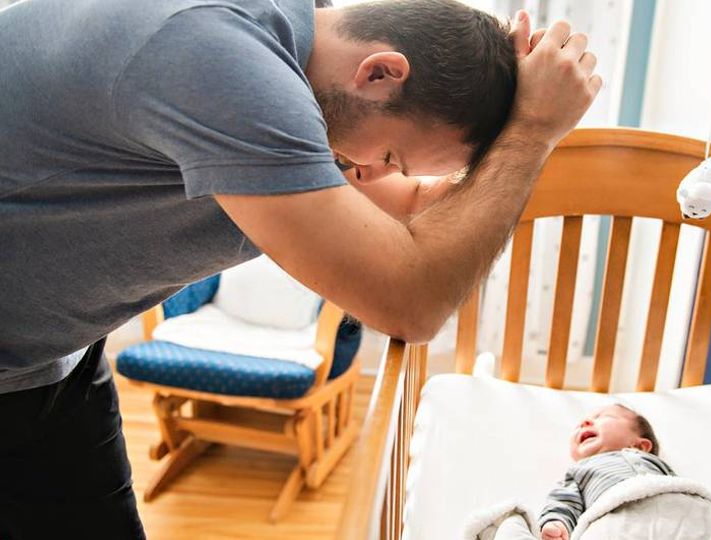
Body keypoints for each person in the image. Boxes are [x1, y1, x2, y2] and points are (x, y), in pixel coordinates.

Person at [0, 0, 601, 535]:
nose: (373, 174)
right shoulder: (220, 61)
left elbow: (419, 205)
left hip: (51, 357)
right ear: (380, 73)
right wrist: (531, 133)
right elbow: (411, 305)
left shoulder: (299, 55)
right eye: (390, 155)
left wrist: (518, 117)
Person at [539, 405, 674, 540]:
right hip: (615, 524)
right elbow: (563, 502)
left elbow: (680, 488)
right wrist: (557, 523)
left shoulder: (655, 464)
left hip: (671, 515)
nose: (584, 423)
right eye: (578, 426)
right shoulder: (579, 471)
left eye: (603, 416)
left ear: (639, 446)